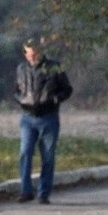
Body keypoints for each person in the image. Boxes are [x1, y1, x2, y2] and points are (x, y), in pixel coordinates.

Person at [13, 36, 73, 204]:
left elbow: (67, 90)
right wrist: (21, 100)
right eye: (28, 53)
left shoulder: (54, 67)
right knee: (25, 153)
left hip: (49, 117)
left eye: (34, 53)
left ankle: (44, 193)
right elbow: (16, 90)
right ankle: (26, 191)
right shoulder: (21, 69)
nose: (31, 57)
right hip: (28, 118)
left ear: (41, 51)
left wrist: (55, 99)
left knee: (47, 156)